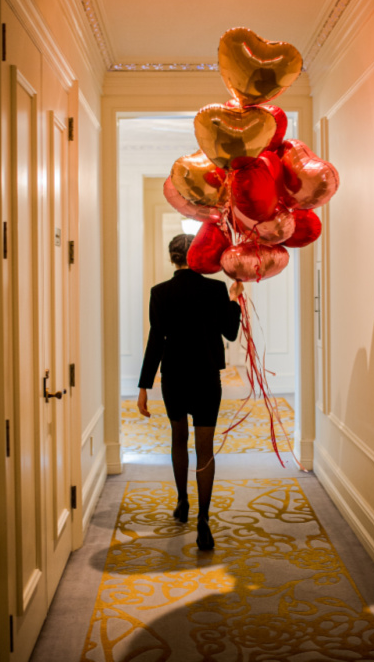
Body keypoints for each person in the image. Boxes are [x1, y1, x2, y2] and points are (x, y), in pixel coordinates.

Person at [137, 233, 243, 551]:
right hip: (207, 377)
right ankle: (204, 521)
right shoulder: (215, 289)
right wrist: (235, 299)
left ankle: (182, 502)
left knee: (178, 439)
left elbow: (156, 340)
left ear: (172, 258)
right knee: (205, 448)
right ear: (198, 255)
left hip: (174, 378)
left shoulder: (160, 293)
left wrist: (144, 387)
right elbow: (231, 332)